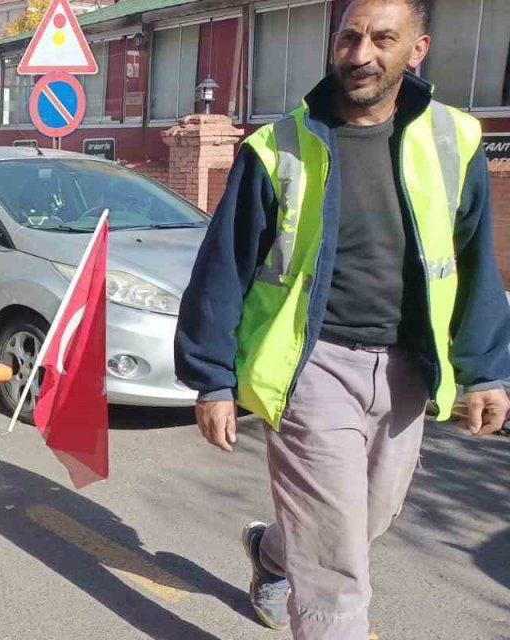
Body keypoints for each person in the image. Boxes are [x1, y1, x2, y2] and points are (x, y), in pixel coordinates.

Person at [173, 1, 510, 637]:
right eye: (349, 37)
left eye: (383, 38)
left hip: (409, 368)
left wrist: (485, 369)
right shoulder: (277, 147)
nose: (361, 54)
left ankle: (273, 552)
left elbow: (470, 263)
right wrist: (212, 379)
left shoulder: (454, 140)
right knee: (336, 562)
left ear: (418, 48)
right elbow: (223, 268)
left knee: (368, 519)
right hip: (312, 365)